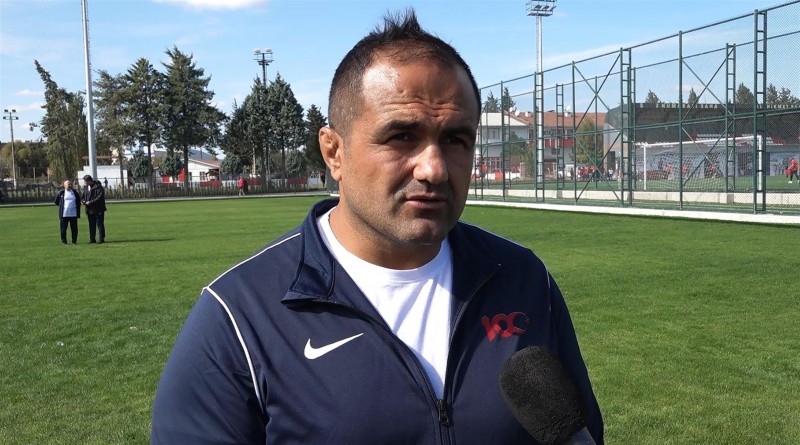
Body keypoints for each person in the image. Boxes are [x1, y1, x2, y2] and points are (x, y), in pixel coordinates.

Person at [151, 10, 604, 445]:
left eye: (455, 139)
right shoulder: (239, 315)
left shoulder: (524, 279)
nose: (434, 168)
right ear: (333, 152)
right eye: (401, 136)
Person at [81, 174, 106, 244]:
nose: (84, 183)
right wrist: (83, 201)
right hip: (89, 209)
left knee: (99, 224)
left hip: (98, 209)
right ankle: (92, 239)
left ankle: (101, 238)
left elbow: (99, 197)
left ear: (89, 181)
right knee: (91, 224)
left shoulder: (98, 187)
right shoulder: (86, 187)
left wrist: (90, 202)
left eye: (85, 181)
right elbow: (83, 196)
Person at [54, 179, 81, 244]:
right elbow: (56, 202)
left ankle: (74, 241)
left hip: (73, 214)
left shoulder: (75, 192)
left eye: (71, 184)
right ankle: (64, 241)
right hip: (64, 214)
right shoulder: (61, 192)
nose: (70, 185)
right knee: (63, 229)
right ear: (64, 185)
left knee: (74, 229)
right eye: (68, 184)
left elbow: (78, 201)